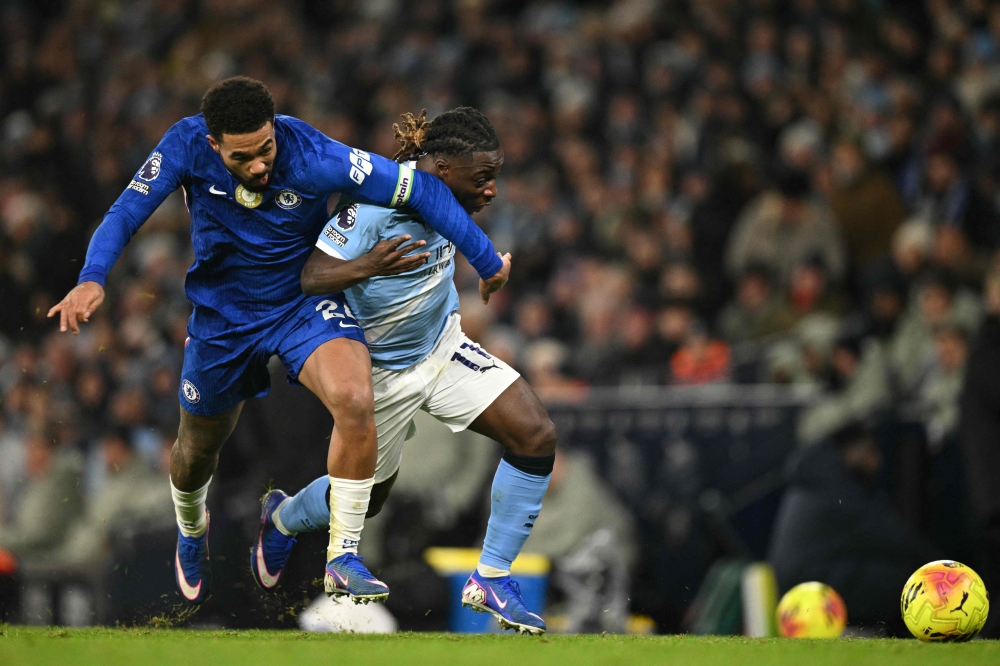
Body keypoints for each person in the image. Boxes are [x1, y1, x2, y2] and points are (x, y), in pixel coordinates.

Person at [46, 78, 510, 605]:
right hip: (222, 319)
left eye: (265, 148)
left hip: (300, 303)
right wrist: (92, 277)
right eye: (242, 157)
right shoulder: (184, 144)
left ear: (274, 129)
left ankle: (342, 558)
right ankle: (192, 529)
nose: (260, 165)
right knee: (196, 451)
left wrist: (487, 261)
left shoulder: (314, 154)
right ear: (213, 143)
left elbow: (422, 188)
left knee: (355, 397)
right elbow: (126, 211)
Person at [251, 108, 557, 634]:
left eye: (495, 176)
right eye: (483, 177)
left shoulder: (449, 199)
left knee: (535, 433)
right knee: (368, 500)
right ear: (443, 168)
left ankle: (491, 577)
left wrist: (489, 273)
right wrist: (369, 266)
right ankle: (282, 517)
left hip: (443, 348)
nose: (491, 190)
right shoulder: (374, 204)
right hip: (381, 370)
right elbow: (310, 275)